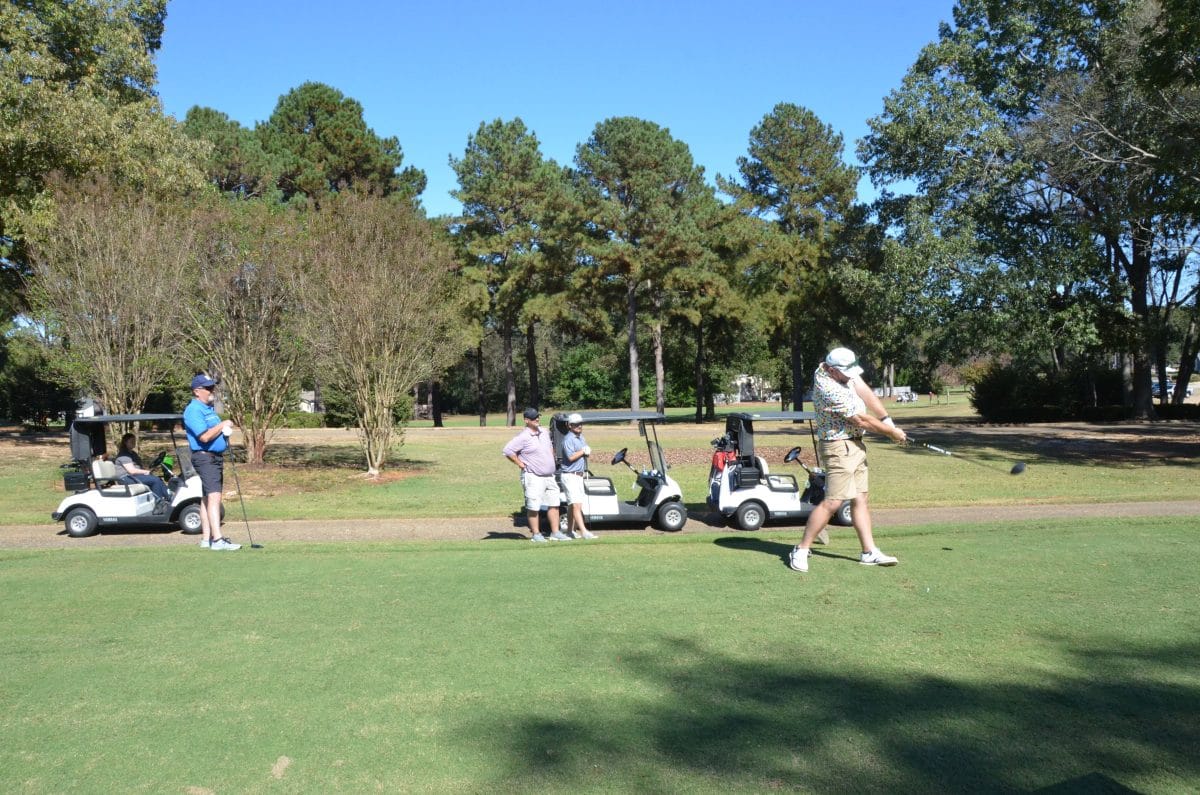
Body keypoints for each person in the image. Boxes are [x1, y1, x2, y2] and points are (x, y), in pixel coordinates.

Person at [789, 347, 907, 573]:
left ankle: (869, 552)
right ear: (833, 371)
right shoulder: (828, 388)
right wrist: (891, 433)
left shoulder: (837, 371)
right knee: (833, 502)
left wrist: (887, 419)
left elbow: (862, 388)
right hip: (838, 446)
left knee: (861, 498)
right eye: (846, 373)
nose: (850, 376)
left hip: (855, 444)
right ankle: (801, 549)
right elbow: (861, 420)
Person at [183, 374, 240, 551]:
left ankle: (206, 539)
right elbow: (204, 436)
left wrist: (223, 431)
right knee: (215, 497)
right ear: (197, 391)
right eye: (208, 388)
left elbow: (214, 432)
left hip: (214, 457)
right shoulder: (193, 410)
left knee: (207, 498)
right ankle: (218, 540)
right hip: (205, 458)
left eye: (212, 387)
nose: (211, 391)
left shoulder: (208, 409)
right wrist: (222, 425)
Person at [503, 407, 569, 542]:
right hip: (533, 476)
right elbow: (508, 450)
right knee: (534, 506)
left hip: (549, 475)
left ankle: (555, 532)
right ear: (526, 420)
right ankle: (536, 534)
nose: (537, 419)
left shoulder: (544, 432)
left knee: (554, 503)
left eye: (537, 416)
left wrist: (552, 457)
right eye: (533, 418)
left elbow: (550, 447)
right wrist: (520, 463)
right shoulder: (523, 436)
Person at [560, 413, 598, 540]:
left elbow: (583, 453)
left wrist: (586, 452)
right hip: (570, 475)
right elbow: (571, 457)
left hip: (578, 475)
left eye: (580, 424)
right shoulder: (568, 439)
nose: (579, 426)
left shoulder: (581, 437)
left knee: (572, 505)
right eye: (576, 424)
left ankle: (569, 531)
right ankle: (584, 531)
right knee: (576, 505)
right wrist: (583, 451)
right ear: (569, 425)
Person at [113, 432, 170, 504]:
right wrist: (145, 472)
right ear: (125, 442)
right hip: (125, 478)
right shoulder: (124, 455)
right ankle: (159, 503)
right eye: (131, 441)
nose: (134, 442)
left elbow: (139, 467)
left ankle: (169, 497)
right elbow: (132, 471)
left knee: (158, 479)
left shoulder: (133, 453)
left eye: (134, 441)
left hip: (133, 476)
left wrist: (148, 470)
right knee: (155, 480)